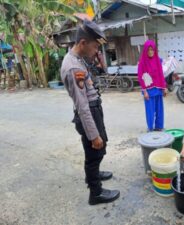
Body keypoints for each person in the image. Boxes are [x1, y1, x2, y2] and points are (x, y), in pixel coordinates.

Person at [60, 19, 120, 205]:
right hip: (89, 113)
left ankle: (95, 174)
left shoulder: (79, 59)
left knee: (98, 150)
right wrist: (93, 135)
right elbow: (82, 105)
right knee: (94, 150)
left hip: (94, 111)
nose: (96, 52)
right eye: (95, 47)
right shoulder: (73, 67)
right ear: (83, 43)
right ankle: (96, 193)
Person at [137, 40, 167, 132]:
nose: (151, 52)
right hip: (149, 91)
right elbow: (141, 77)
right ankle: (150, 128)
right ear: (145, 50)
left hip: (158, 89)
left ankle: (159, 126)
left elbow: (161, 74)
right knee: (150, 111)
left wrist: (164, 87)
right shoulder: (142, 62)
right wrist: (144, 91)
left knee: (159, 110)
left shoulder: (158, 60)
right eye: (149, 50)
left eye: (152, 49)